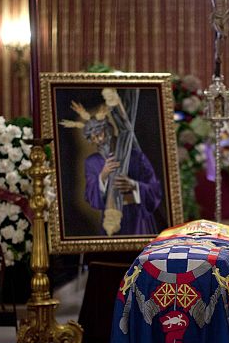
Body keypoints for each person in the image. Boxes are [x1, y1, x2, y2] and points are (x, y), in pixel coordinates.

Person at [62, 91, 163, 236]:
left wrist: (134, 186)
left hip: (138, 220)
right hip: (111, 220)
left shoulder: (135, 156)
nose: (98, 140)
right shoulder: (92, 162)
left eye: (99, 134)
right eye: (92, 137)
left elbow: (155, 190)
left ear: (107, 129)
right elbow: (91, 198)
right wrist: (103, 176)